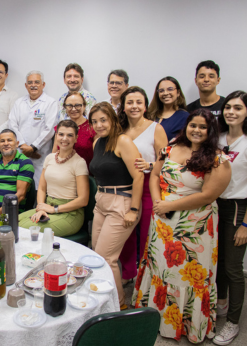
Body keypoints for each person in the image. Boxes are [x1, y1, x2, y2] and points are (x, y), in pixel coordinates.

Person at [132, 109, 231, 344]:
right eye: (192, 125)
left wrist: (170, 204)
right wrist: (159, 202)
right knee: (161, 268)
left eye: (202, 127)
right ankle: (154, 317)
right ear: (186, 126)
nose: (196, 130)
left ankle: (187, 325)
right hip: (163, 221)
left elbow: (208, 195)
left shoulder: (219, 160)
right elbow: (155, 175)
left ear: (211, 131)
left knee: (188, 275)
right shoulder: (170, 148)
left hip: (194, 226)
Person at [213, 91, 247, 345]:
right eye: (228, 107)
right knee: (219, 261)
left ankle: (232, 323)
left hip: (239, 209)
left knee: (233, 267)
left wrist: (246, 223)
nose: (231, 111)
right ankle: (221, 304)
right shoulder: (219, 137)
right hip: (216, 205)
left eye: (238, 107)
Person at [89, 102, 144, 310]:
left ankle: (119, 306)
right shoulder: (98, 143)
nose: (99, 125)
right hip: (101, 201)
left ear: (112, 119)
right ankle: (103, 300)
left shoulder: (123, 141)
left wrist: (134, 209)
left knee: (106, 258)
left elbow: (138, 177)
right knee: (96, 254)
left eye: (103, 120)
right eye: (94, 121)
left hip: (122, 202)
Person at [117, 86, 168, 286]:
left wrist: (151, 165)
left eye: (139, 102)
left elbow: (167, 161)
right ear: (123, 107)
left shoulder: (156, 128)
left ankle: (147, 278)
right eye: (130, 102)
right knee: (125, 231)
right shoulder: (120, 129)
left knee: (148, 232)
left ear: (145, 106)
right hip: (124, 185)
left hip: (148, 185)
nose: (134, 106)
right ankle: (128, 273)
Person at [19, 120, 89, 237]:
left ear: (76, 138)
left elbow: (83, 200)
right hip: (47, 206)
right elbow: (41, 188)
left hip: (70, 214)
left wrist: (54, 209)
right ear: (56, 136)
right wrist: (41, 208)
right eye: (61, 134)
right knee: (12, 222)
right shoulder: (50, 158)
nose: (64, 138)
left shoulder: (79, 163)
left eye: (70, 135)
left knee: (24, 229)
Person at [8, 70, 59, 188]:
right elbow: (12, 124)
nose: (33, 85)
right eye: (30, 82)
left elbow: (50, 128)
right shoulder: (19, 103)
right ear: (26, 86)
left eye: (37, 82)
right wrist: (24, 146)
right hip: (21, 153)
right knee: (20, 189)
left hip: (40, 155)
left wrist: (33, 147)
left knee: (39, 189)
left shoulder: (50, 103)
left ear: (43, 84)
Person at [52, 91, 95, 169]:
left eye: (78, 105)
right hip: (63, 172)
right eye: (69, 106)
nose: (73, 109)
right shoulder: (60, 127)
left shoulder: (92, 127)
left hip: (87, 175)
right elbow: (54, 153)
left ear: (84, 106)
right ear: (65, 107)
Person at [147, 76, 189, 142]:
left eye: (170, 89)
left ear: (178, 92)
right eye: (161, 90)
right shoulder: (150, 114)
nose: (165, 93)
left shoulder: (184, 117)